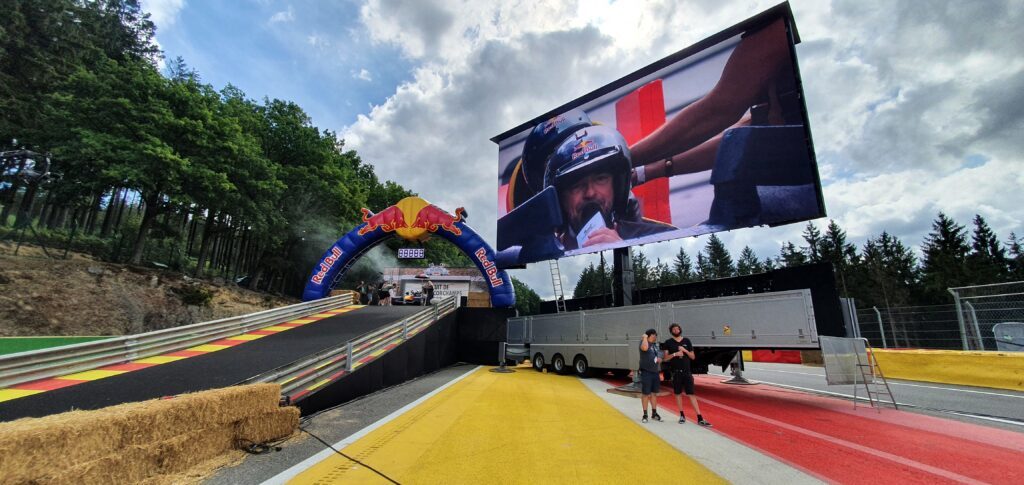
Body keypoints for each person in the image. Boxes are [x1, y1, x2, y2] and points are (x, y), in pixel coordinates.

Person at [545, 125, 675, 250]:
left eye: (600, 179)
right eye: (576, 185)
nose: (590, 193)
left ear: (616, 186)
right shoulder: (546, 254)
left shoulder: (662, 238)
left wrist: (624, 251)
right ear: (560, 199)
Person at [662, 323, 712, 426]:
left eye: (677, 329)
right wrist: (675, 354)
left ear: (680, 330)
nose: (676, 330)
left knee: (691, 394)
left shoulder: (687, 341)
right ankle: (681, 415)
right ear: (671, 331)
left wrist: (685, 351)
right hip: (676, 373)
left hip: (687, 372)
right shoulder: (668, 342)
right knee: (678, 394)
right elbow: (665, 358)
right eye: (674, 329)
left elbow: (693, 357)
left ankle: (699, 417)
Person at [639, 328, 662, 423]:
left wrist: (660, 359)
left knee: (654, 393)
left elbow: (659, 355)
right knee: (645, 394)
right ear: (650, 335)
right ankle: (645, 414)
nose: (656, 337)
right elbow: (644, 348)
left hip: (655, 372)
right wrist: (644, 337)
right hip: (646, 372)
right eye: (654, 335)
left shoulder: (655, 345)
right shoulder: (644, 343)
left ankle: (654, 413)